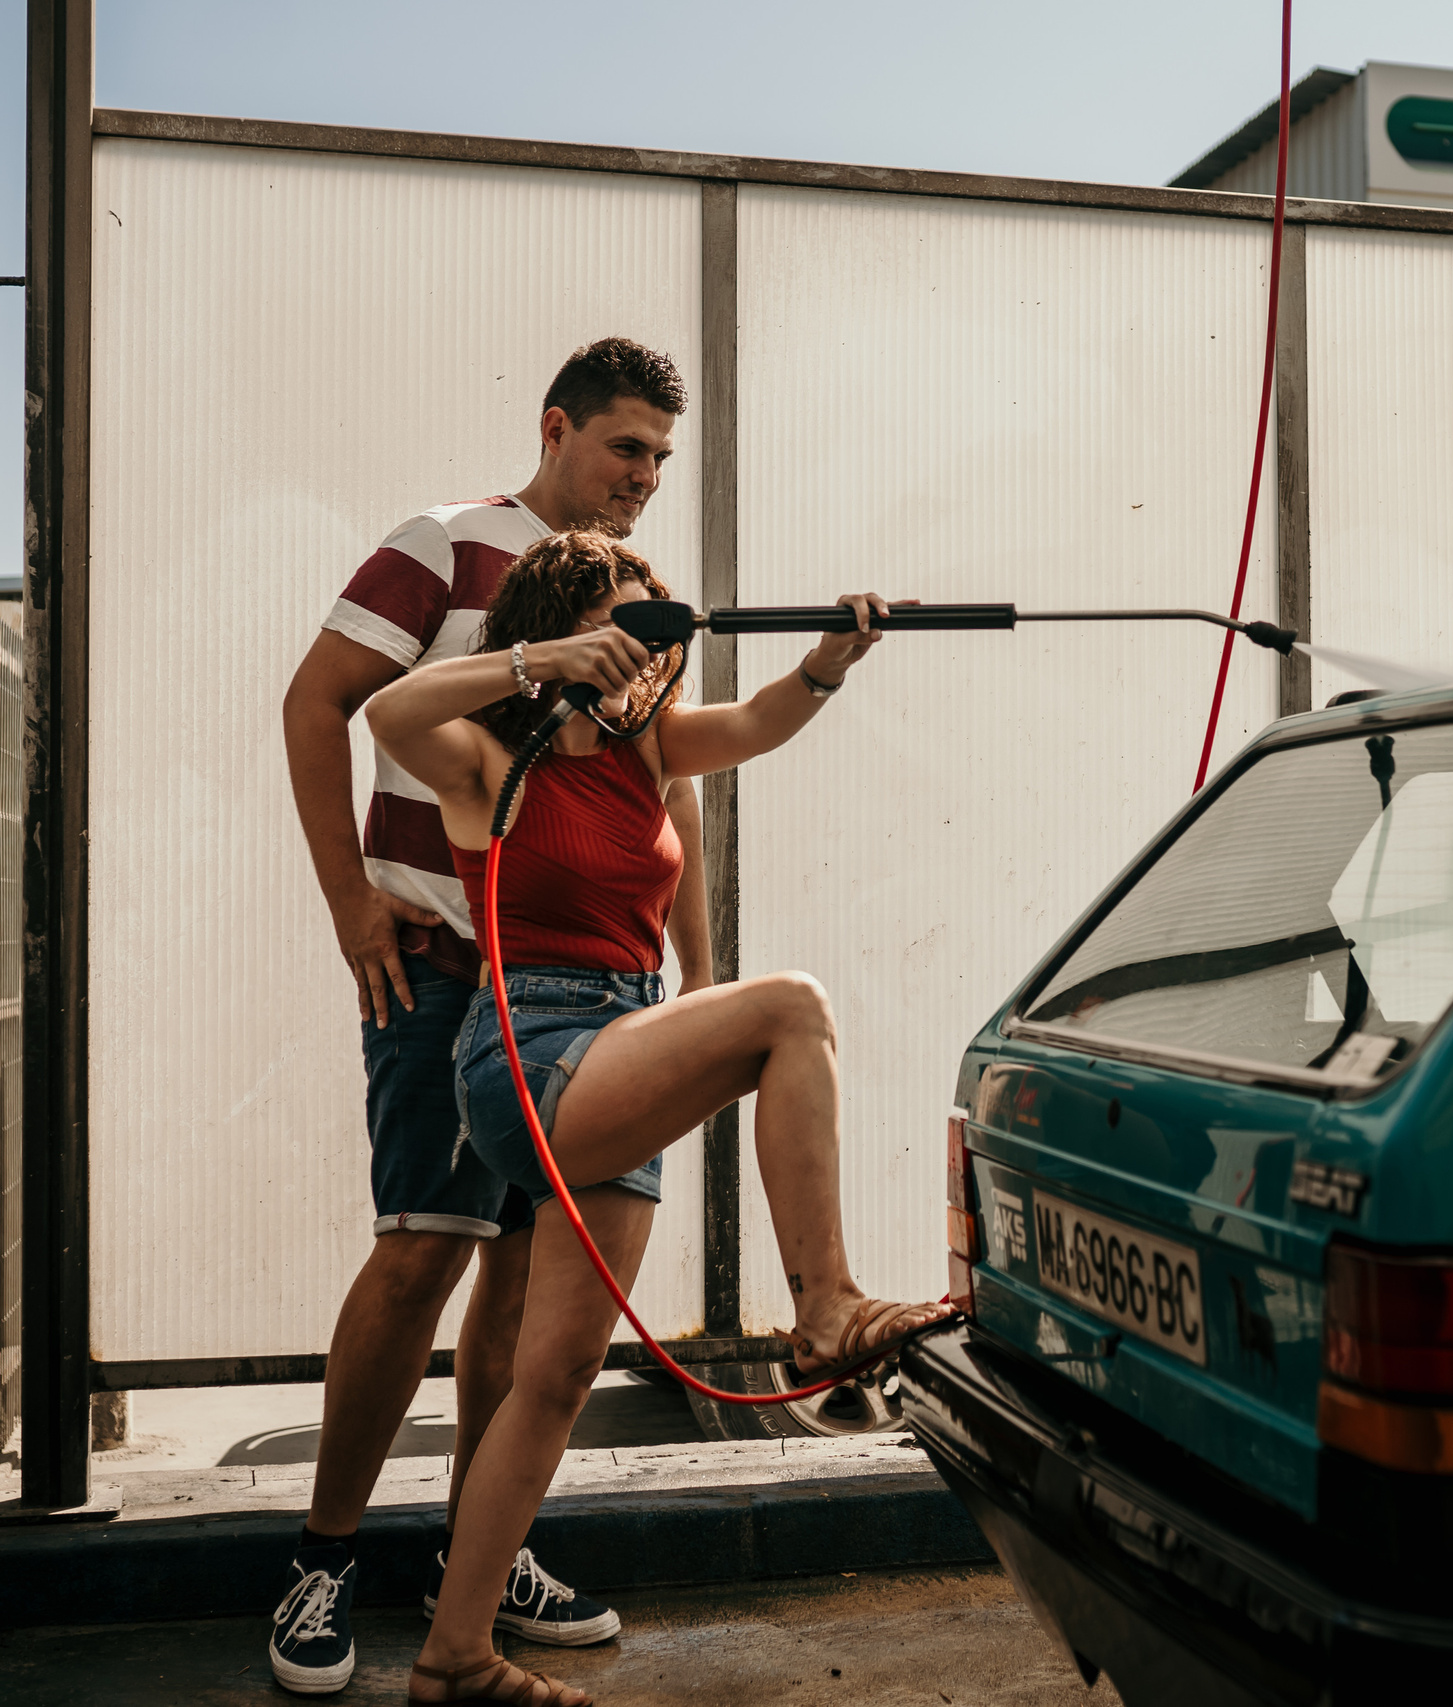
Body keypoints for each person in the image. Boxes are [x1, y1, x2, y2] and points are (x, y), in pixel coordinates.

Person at [363, 530, 949, 1706]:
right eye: (625, 624)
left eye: (653, 626)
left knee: (561, 1374)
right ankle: (824, 1309)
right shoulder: (489, 759)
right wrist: (548, 660)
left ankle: (455, 1659)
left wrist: (829, 663)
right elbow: (388, 711)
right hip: (528, 1048)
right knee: (792, 1008)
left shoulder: (651, 752)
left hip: (621, 1046)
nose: (643, 653)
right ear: (570, 625)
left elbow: (761, 723)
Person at [270, 340, 710, 1695]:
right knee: (420, 1256)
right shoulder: (448, 544)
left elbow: (669, 787)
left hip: (583, 978)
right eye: (624, 447)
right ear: (556, 427)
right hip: (440, 961)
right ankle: (323, 1558)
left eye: (659, 459)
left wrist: (699, 966)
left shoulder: (642, 597)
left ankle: (479, 1550)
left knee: (522, 1295)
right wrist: (350, 898)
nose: (642, 477)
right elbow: (320, 702)